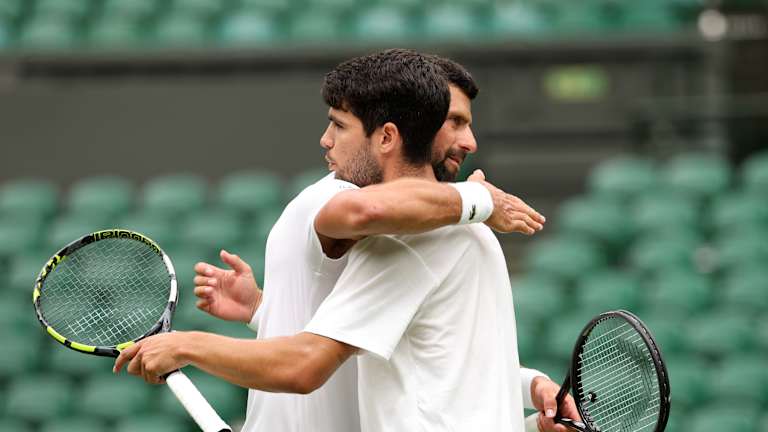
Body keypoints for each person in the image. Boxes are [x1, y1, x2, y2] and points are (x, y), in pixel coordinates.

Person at [114, 50, 575, 432]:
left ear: (389, 135)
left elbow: (311, 365)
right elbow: (420, 365)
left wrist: (186, 344)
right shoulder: (454, 225)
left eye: (338, 125)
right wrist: (265, 312)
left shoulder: (418, 231)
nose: (466, 139)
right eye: (451, 121)